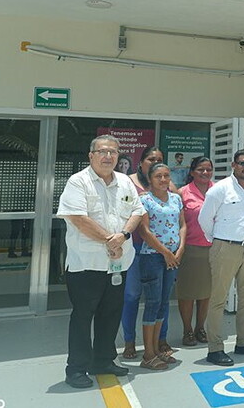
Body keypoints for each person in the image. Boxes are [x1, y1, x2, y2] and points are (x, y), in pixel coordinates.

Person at [57, 135, 144, 389]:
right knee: (83, 317)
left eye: (113, 152)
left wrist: (124, 236)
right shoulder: (78, 181)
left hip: (118, 264)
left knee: (110, 314)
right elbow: (78, 218)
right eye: (102, 152)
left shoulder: (125, 181)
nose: (108, 157)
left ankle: (104, 360)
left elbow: (137, 211)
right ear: (91, 155)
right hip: (87, 265)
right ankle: (76, 369)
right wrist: (110, 240)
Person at [198, 149, 244, 366]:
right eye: (243, 163)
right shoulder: (219, 190)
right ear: (233, 165)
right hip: (225, 248)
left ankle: (243, 343)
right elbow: (204, 219)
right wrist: (218, 240)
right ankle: (215, 348)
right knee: (218, 299)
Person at [121, 146, 172, 360]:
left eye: (159, 160)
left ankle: (161, 339)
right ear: (141, 162)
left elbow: (176, 202)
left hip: (160, 252)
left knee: (161, 298)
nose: (154, 163)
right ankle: (130, 341)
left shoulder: (165, 181)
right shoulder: (128, 182)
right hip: (135, 247)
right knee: (132, 295)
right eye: (151, 159)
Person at [137, 163, 186, 370]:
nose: (164, 179)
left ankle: (157, 348)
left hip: (173, 257)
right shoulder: (144, 200)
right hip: (153, 258)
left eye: (167, 175)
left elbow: (182, 225)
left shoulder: (176, 198)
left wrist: (180, 249)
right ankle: (148, 354)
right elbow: (144, 231)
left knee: (164, 303)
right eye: (158, 176)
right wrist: (165, 253)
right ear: (150, 179)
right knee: (152, 303)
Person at [176, 156, 214, 348]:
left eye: (208, 169)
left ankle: (200, 328)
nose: (205, 173)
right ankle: (187, 330)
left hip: (213, 249)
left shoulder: (218, 191)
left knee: (206, 292)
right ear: (192, 172)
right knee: (188, 293)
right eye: (200, 169)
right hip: (190, 249)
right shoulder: (182, 193)